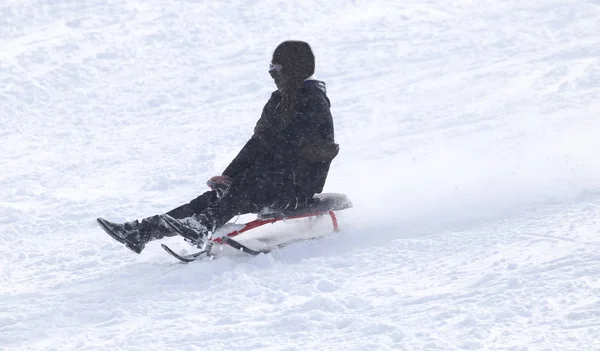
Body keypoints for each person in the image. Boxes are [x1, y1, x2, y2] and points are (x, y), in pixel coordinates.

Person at [97, 40, 339, 254]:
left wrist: (244, 178)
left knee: (241, 188)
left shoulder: (313, 102)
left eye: (276, 69)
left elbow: (293, 151)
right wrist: (229, 175)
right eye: (270, 69)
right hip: (265, 180)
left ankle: (202, 226)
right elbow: (256, 145)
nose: (272, 74)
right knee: (212, 197)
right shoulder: (278, 101)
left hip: (295, 188)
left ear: (295, 69)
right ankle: (143, 231)